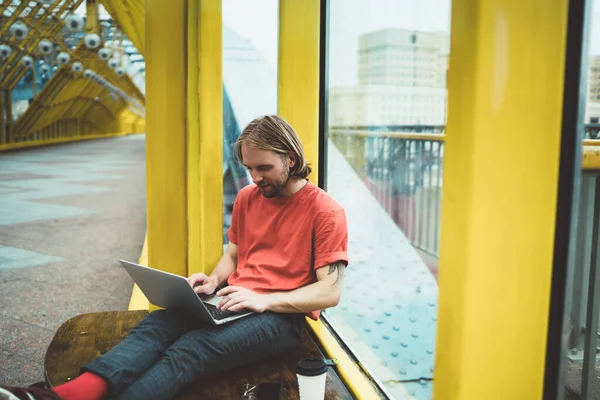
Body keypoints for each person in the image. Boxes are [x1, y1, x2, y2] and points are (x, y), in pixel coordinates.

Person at [0, 115, 348, 400]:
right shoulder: (247, 198)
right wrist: (213, 281)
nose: (255, 178)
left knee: (189, 352)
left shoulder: (325, 211)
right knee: (154, 326)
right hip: (230, 300)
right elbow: (234, 254)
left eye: (264, 168)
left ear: (290, 158)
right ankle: (58, 397)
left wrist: (263, 300)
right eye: (249, 168)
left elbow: (329, 292)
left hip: (278, 319)